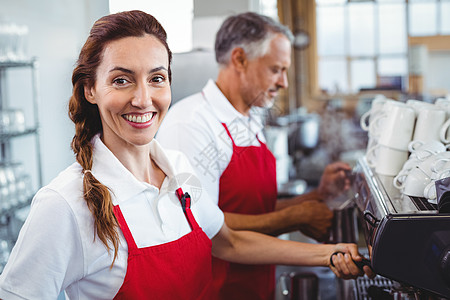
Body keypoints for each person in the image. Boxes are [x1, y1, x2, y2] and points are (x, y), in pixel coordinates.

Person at [0, 10, 372, 300]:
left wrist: (328, 253)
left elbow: (228, 241)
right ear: (90, 90)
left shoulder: (177, 170)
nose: (143, 99)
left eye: (156, 78)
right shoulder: (64, 204)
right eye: (121, 79)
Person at [157, 11, 357, 300]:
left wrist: (319, 195)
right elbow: (204, 228)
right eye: (276, 69)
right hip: (213, 289)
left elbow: (255, 206)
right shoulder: (191, 125)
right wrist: (294, 219)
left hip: (254, 283)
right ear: (239, 59)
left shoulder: (250, 119)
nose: (284, 82)